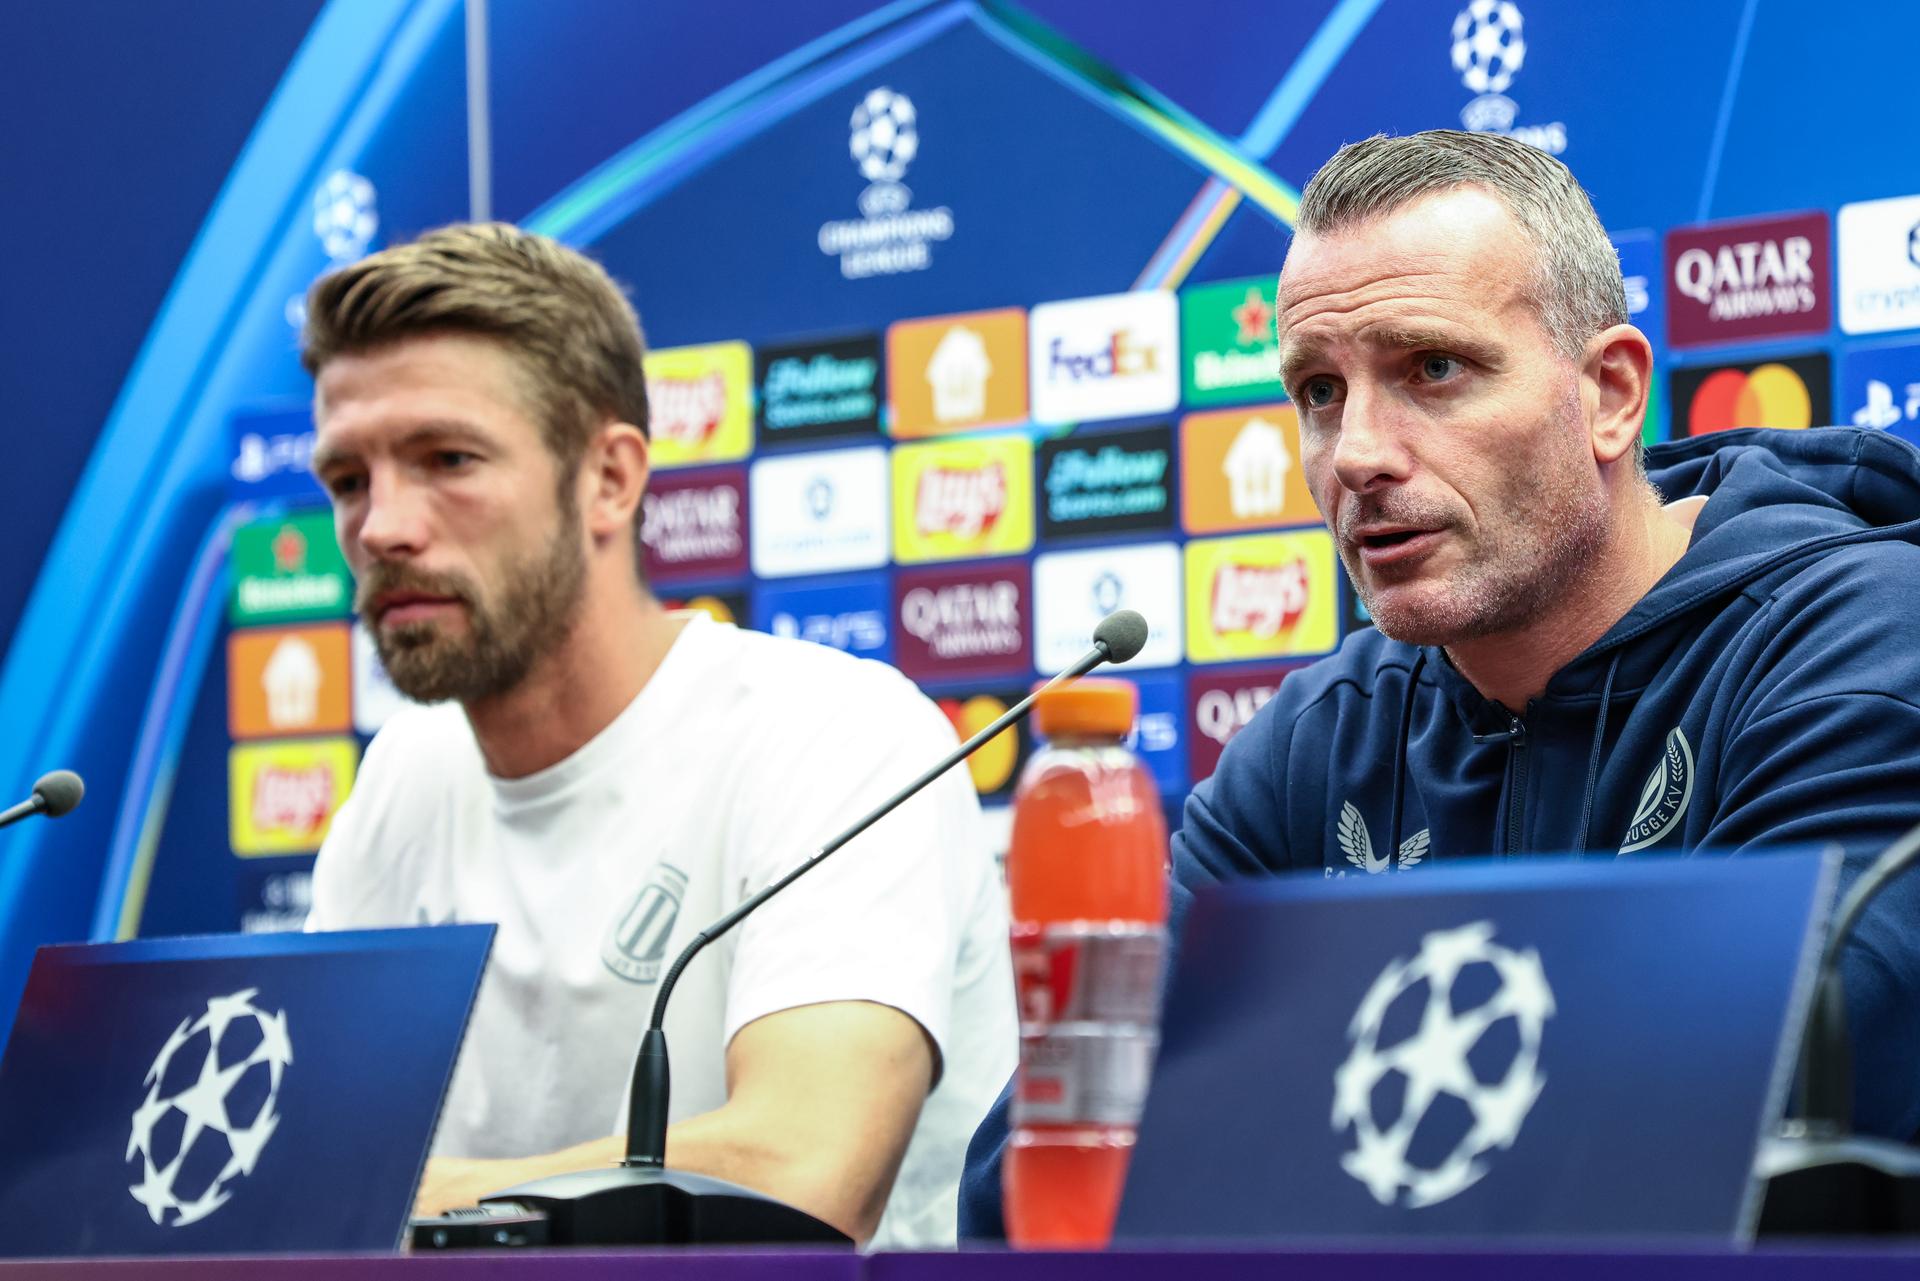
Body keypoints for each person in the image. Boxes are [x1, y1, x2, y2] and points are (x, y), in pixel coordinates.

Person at [959, 129, 1920, 1236]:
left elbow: (1744, 1143)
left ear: (1610, 395)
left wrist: (1246, 1123)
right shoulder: (1322, 742)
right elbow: (1036, 1183)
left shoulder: (1856, 649)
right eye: (1321, 390)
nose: (1358, 452)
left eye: (1432, 369)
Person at [297, 222, 1015, 1249]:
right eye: (348, 480)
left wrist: (393, 1200)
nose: (381, 527)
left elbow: (799, 1174)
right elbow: (311, 1166)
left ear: (610, 478)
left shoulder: (834, 735)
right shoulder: (402, 784)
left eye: (446, 459)